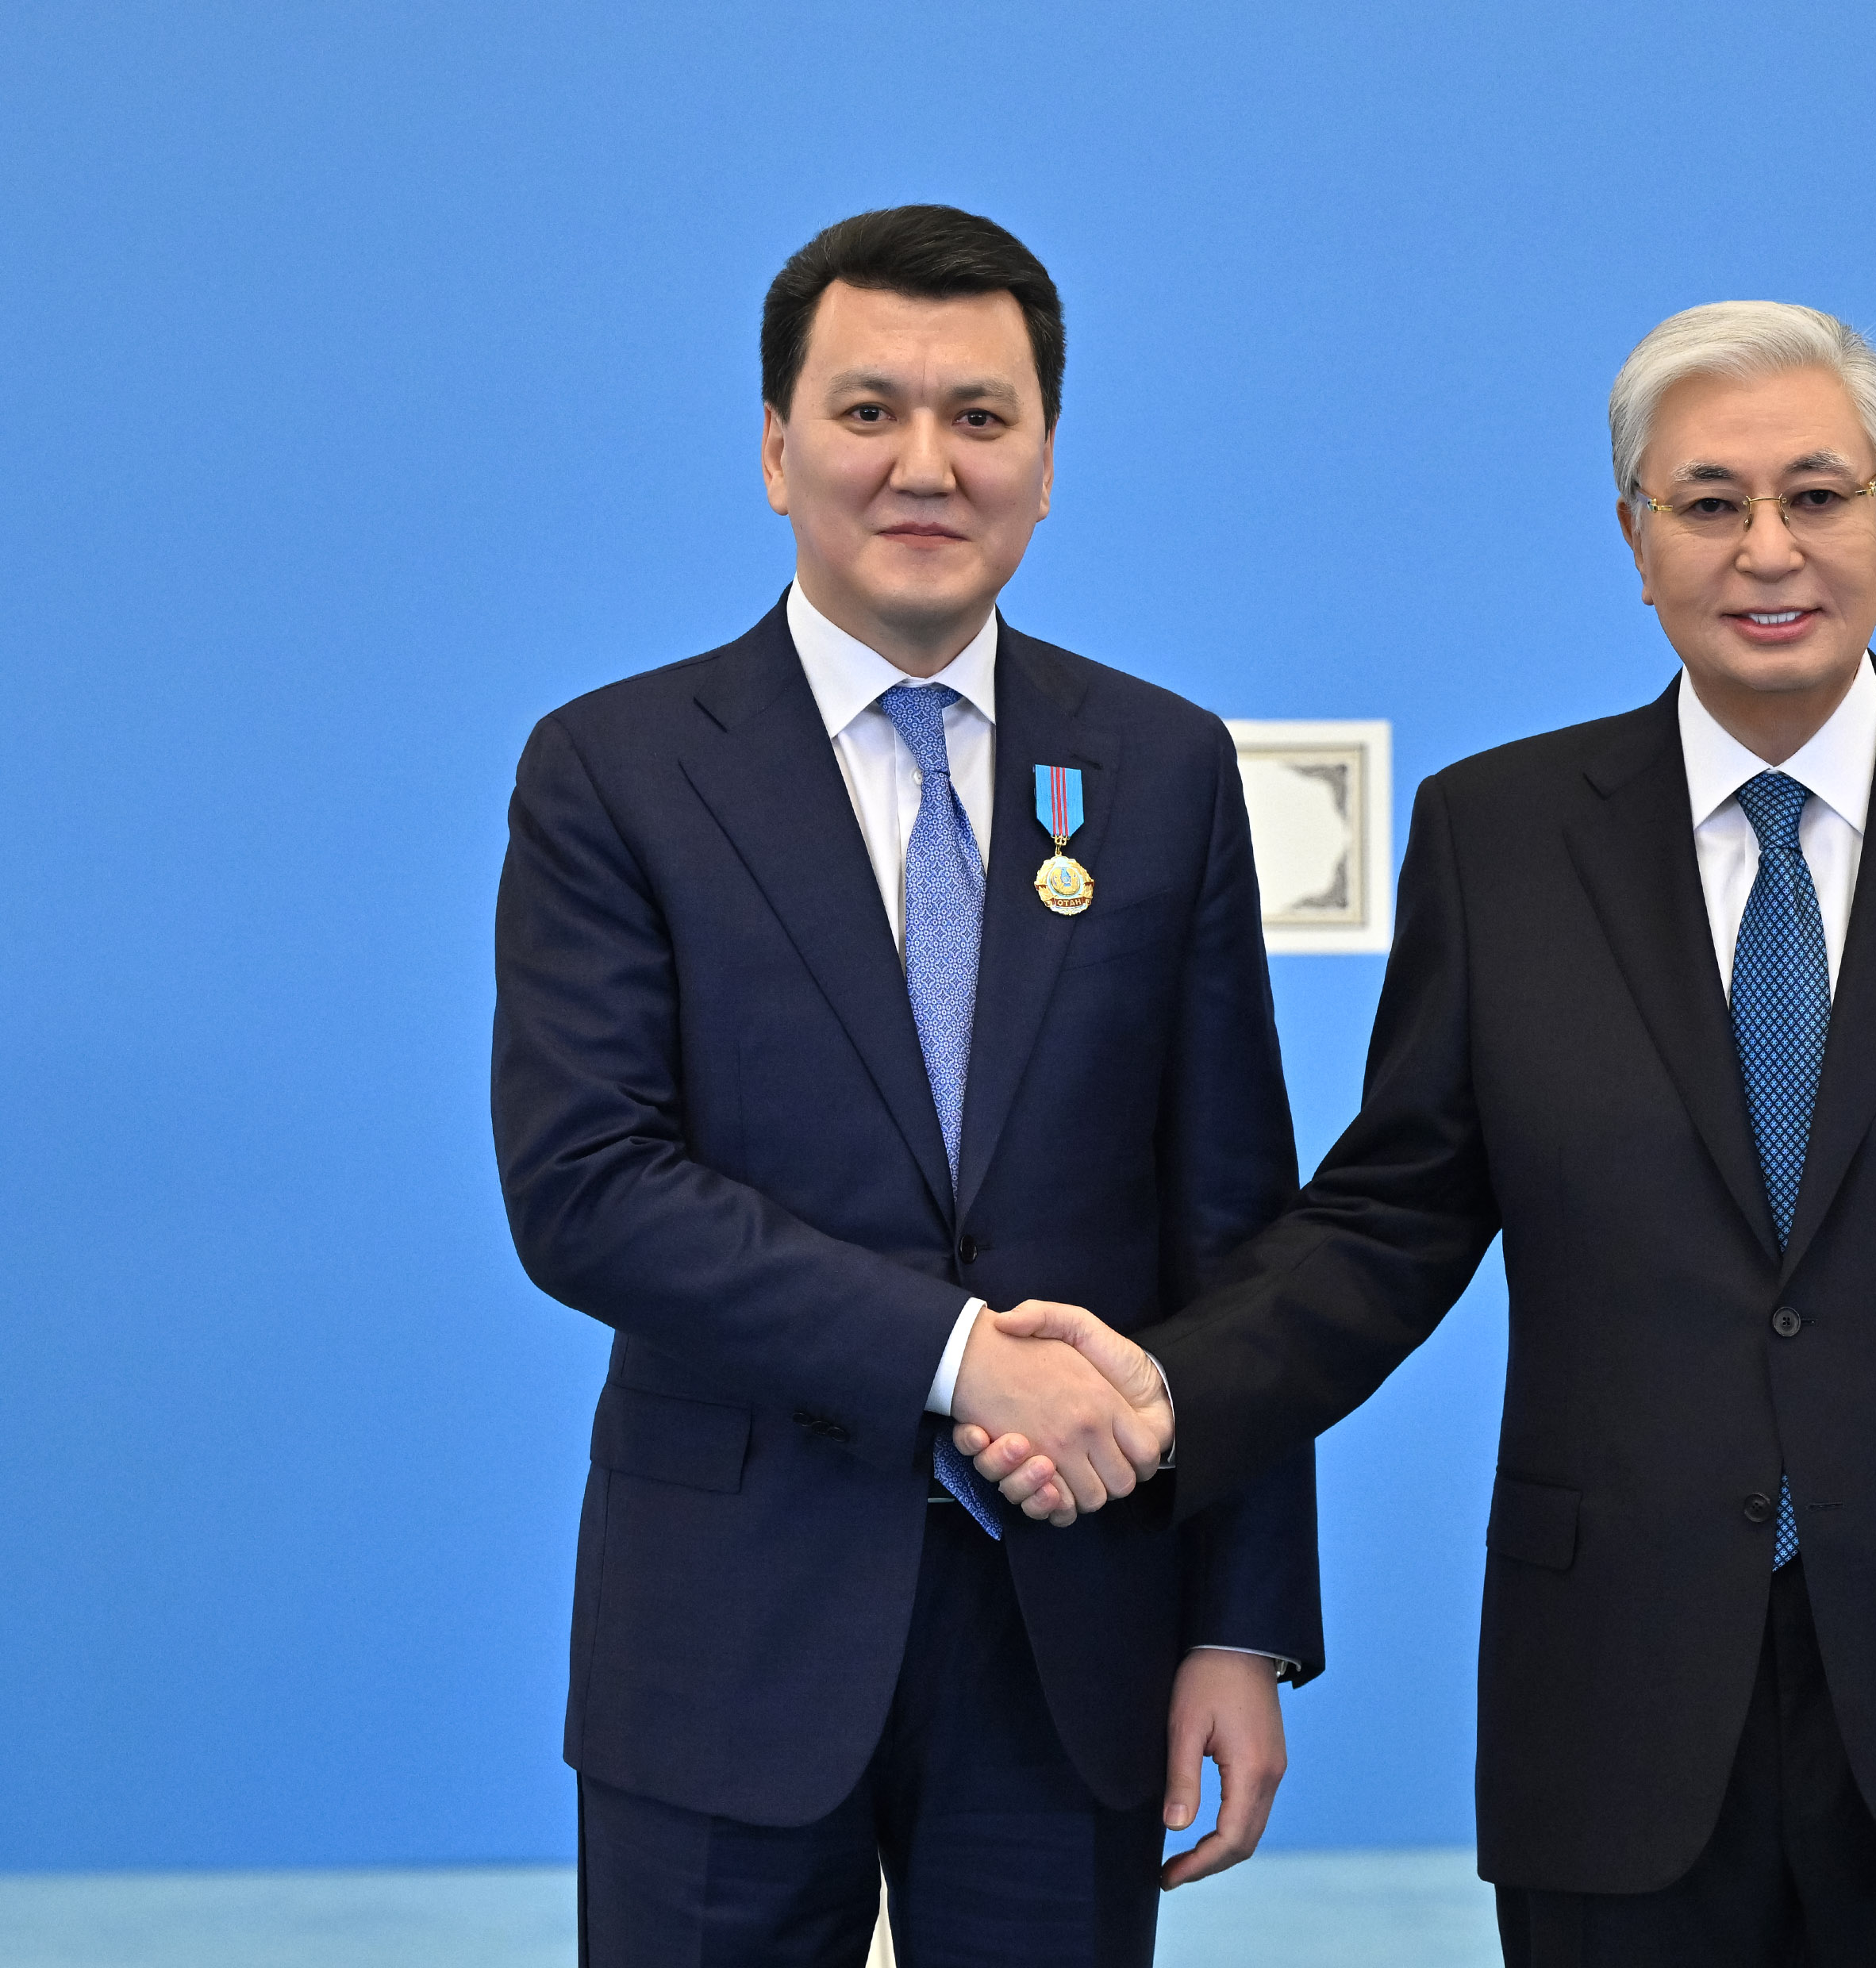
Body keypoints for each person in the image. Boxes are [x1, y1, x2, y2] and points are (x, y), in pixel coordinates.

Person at [962, 302, 1876, 1966]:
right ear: (1633, 538)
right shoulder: (1500, 837)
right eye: (1708, 502)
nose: (1767, 548)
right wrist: (1163, 1391)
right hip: (1618, 1701)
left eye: (1817, 495)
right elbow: (1386, 1227)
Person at [490, 204, 1317, 1968]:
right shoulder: (616, 770)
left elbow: (1235, 1228)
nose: (924, 464)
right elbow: (588, 1186)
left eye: (980, 417)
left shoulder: (1162, 767)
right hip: (727, 1632)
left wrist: (1239, 1627)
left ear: (1045, 461)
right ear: (775, 449)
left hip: (1074, 1634)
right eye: (868, 411)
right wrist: (959, 1356)